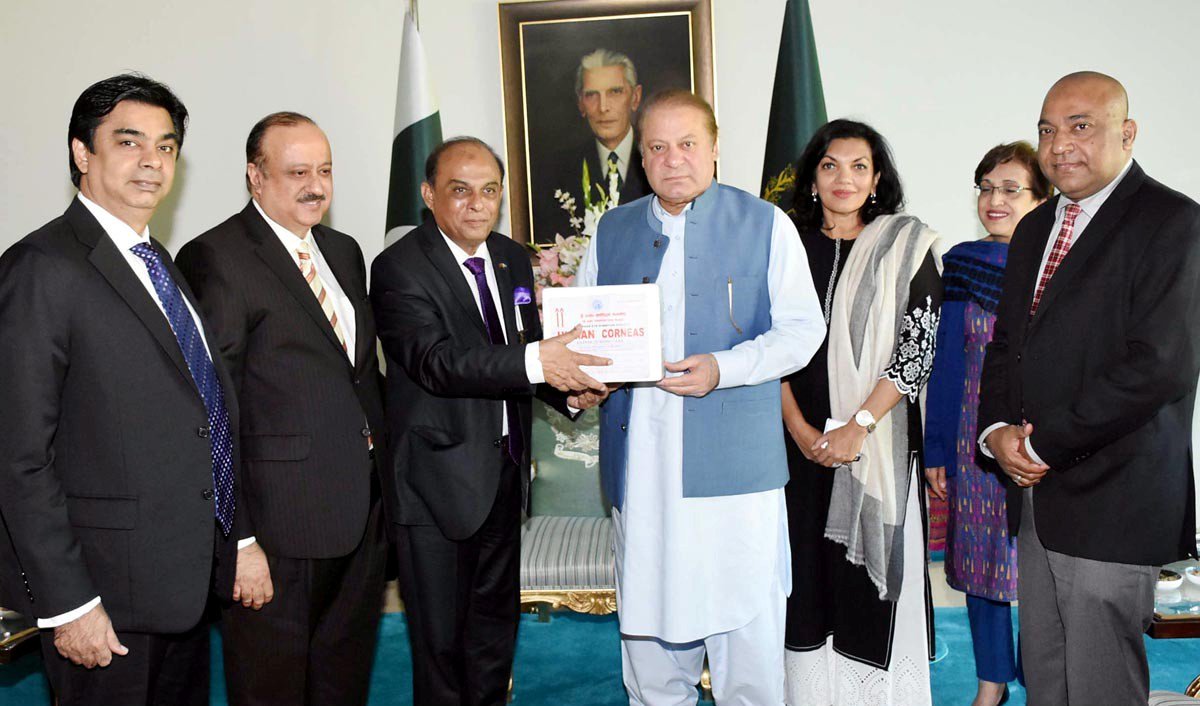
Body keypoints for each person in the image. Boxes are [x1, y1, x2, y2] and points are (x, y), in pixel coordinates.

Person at [577, 89, 825, 705]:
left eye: (688, 144)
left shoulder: (767, 224)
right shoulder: (613, 230)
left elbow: (803, 330)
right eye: (656, 147)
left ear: (715, 150)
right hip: (642, 468)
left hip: (734, 470)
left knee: (745, 635)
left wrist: (726, 367)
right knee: (651, 630)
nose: (673, 160)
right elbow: (583, 331)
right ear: (641, 159)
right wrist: (581, 378)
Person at [0, 73, 241, 706]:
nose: (151, 162)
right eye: (129, 142)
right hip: (101, 597)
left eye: (165, 147)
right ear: (83, 153)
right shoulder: (42, 268)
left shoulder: (157, 262)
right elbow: (19, 454)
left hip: (179, 585)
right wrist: (69, 602)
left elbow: (199, 412)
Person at [978, 71, 1200, 706]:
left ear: (1126, 135)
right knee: (1047, 677)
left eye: (1081, 127)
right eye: (1048, 130)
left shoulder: (1173, 222)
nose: (1059, 145)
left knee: (1100, 685)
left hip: (1114, 499)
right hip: (1035, 502)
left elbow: (1160, 366)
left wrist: (1043, 445)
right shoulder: (1034, 227)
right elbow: (1005, 349)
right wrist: (996, 434)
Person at [371, 136, 609, 706]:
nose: (478, 204)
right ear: (429, 195)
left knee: (493, 635)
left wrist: (569, 394)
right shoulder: (398, 267)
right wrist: (540, 362)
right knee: (442, 648)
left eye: (490, 191)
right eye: (460, 190)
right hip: (435, 485)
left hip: (503, 477)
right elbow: (437, 363)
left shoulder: (507, 256)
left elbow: (521, 351)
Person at [175, 112, 388, 706]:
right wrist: (238, 540)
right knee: (272, 691)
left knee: (342, 683)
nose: (315, 186)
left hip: (359, 516)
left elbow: (359, 378)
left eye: (324, 170)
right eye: (297, 172)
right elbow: (213, 409)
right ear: (255, 176)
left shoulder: (344, 252)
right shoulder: (215, 257)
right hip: (276, 529)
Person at [781, 119, 943, 706]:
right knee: (804, 578)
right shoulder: (786, 244)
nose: (843, 178)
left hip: (875, 442)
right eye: (830, 165)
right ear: (813, 176)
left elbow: (916, 350)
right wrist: (799, 429)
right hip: (794, 445)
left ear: (877, 179)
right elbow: (765, 345)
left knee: (862, 589)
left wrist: (859, 426)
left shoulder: (906, 245)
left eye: (858, 166)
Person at [924, 141, 1051, 706]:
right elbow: (946, 362)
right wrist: (936, 451)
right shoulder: (964, 262)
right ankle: (991, 682)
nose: (994, 200)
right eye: (986, 187)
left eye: (1010, 189)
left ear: (1042, 196)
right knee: (982, 567)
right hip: (975, 440)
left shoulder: (1061, 261)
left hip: (1048, 439)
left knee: (1046, 572)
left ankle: (1044, 677)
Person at [535, 48, 651, 241]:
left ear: (635, 97)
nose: (603, 107)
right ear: (581, 103)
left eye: (615, 92)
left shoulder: (658, 159)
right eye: (591, 95)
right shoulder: (555, 171)